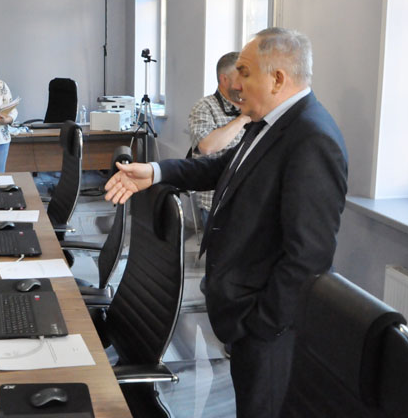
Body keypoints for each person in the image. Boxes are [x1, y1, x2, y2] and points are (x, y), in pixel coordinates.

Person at [104, 28, 348, 418]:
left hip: (267, 330)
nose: (236, 85)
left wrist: (260, 325)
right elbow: (223, 167)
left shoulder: (311, 138)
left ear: (277, 79)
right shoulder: (271, 122)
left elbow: (309, 258)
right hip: (243, 315)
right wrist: (155, 172)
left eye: (245, 73)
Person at [187, 52, 251, 224]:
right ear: (224, 79)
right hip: (216, 203)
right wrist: (243, 119)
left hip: (247, 202)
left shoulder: (252, 105)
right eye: (240, 78)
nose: (244, 84)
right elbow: (207, 146)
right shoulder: (204, 107)